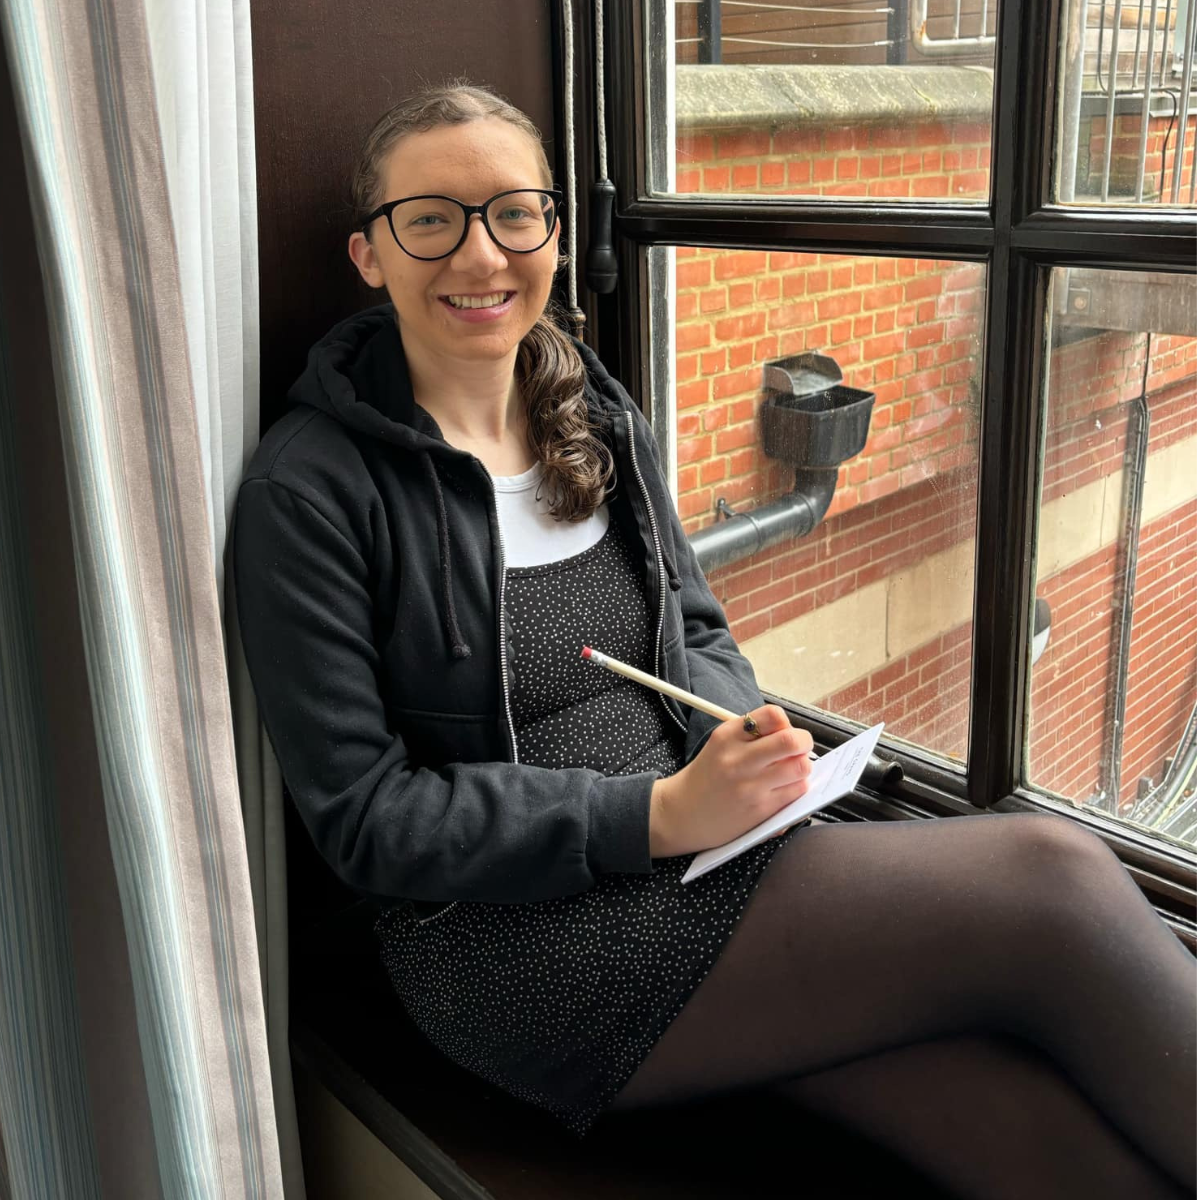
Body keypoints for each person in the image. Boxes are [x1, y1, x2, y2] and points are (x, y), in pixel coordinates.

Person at [233, 84, 1196, 1198]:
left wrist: (735, 730)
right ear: (369, 254)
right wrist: (653, 817)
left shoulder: (588, 408)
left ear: (552, 228)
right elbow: (366, 819)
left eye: (513, 213)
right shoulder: (309, 493)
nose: (482, 254)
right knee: (1054, 876)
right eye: (432, 219)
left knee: (1014, 1119)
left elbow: (691, 623)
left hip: (704, 860)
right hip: (516, 945)